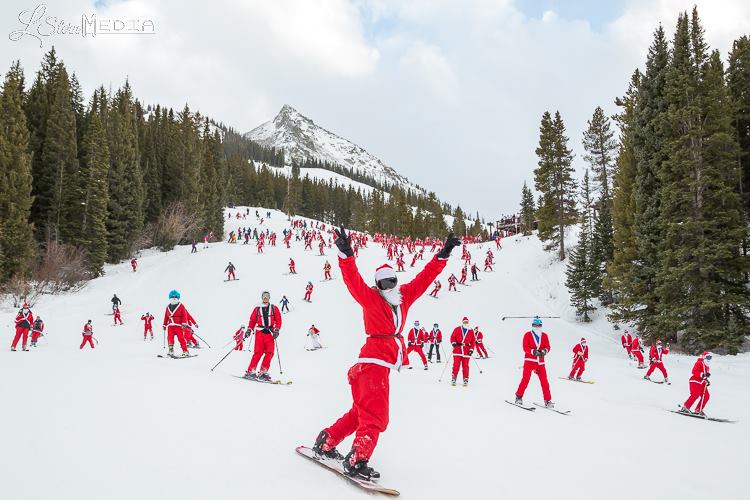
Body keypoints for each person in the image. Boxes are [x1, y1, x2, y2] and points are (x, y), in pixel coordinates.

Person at [311, 226, 459, 481]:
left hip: (378, 364)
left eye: (392, 281)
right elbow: (352, 279)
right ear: (377, 285)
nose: (388, 286)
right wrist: (346, 254)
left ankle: (327, 440)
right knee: (376, 415)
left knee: (360, 413)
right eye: (383, 283)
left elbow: (426, 277)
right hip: (372, 363)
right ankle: (357, 458)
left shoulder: (404, 298)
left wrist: (443, 254)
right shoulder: (370, 299)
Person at [514, 316, 553, 408]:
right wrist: (533, 351)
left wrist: (544, 351)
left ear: (541, 326)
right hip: (529, 361)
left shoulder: (545, 336)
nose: (537, 327)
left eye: (539, 325)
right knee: (525, 379)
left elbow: (548, 346)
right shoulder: (527, 335)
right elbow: (525, 347)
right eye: (535, 325)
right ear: (532, 325)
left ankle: (547, 400)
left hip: (540, 362)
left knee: (544, 381)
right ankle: (518, 397)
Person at [244, 291, 283, 380]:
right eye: (264, 297)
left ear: (269, 298)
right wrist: (249, 330)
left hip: (270, 333)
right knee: (258, 353)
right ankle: (251, 371)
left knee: (270, 353)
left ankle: (263, 372)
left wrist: (277, 330)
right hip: (260, 333)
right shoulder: (257, 308)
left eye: (267, 297)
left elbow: (278, 320)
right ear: (262, 298)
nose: (265, 298)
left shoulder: (274, 308)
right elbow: (252, 321)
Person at [162, 290, 197, 357]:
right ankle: (171, 351)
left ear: (178, 297)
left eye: (175, 296)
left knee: (181, 338)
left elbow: (185, 315)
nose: (174, 297)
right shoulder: (167, 307)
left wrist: (184, 323)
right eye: (172, 296)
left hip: (179, 325)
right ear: (170, 297)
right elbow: (166, 317)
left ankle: (185, 351)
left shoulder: (181, 306)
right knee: (170, 338)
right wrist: (164, 324)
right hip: (170, 326)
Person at [450, 317, 476, 386]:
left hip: (466, 351)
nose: (466, 323)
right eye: (464, 322)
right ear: (462, 322)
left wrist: (471, 349)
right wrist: (454, 343)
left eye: (467, 322)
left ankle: (465, 379)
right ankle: (454, 377)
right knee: (456, 365)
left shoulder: (471, 330)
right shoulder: (457, 329)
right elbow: (452, 337)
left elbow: (473, 341)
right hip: (457, 349)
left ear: (468, 322)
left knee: (465, 366)